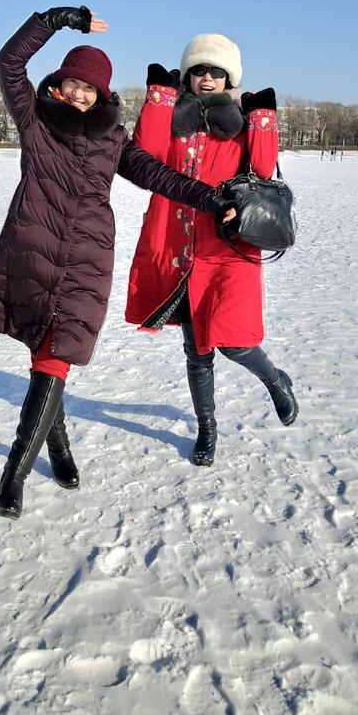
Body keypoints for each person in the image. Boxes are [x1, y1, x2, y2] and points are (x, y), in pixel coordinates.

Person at [0, 7, 231, 519]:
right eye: (72, 83)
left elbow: (158, 175)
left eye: (89, 89)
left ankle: (19, 473)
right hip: (34, 250)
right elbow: (9, 62)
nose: (79, 94)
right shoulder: (35, 119)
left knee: (56, 358)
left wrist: (210, 198)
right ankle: (47, 459)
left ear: (103, 95)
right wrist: (53, 20)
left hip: (89, 258)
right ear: (58, 85)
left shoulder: (114, 140)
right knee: (46, 356)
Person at [125, 33, 298, 467]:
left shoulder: (239, 123)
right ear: (187, 75)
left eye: (216, 72)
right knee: (196, 350)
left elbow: (261, 170)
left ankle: (274, 379)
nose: (206, 78)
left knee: (234, 342)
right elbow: (145, 157)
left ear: (228, 79)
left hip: (228, 248)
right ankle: (207, 428)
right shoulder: (173, 121)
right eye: (198, 70)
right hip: (177, 244)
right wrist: (160, 99)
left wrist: (262, 120)